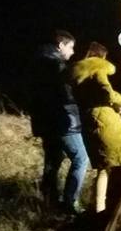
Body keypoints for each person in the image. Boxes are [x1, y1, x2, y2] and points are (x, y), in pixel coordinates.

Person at [69, 42, 121, 217]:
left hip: (89, 122)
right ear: (101, 57)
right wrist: (120, 103)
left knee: (103, 168)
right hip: (106, 121)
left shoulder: (77, 74)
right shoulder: (97, 69)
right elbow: (106, 91)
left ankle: (99, 209)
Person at [29, 30, 90, 214]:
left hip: (44, 121)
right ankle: (70, 202)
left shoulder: (38, 63)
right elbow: (66, 95)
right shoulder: (57, 65)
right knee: (81, 158)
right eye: (70, 47)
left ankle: (49, 201)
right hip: (63, 120)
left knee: (52, 161)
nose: (72, 52)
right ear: (61, 45)